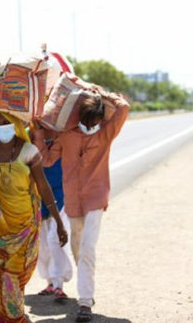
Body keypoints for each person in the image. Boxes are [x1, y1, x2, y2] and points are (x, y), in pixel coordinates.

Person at [0, 111, 68, 323]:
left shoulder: (29, 151)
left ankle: (14, 319)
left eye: (5, 122)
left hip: (22, 230)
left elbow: (44, 189)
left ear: (16, 124)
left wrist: (59, 224)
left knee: (11, 280)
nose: (0, 126)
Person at [33, 86, 130, 322]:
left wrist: (99, 93)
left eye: (95, 120)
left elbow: (123, 107)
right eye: (87, 121)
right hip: (73, 201)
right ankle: (86, 286)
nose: (91, 125)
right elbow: (46, 160)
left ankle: (85, 302)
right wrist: (37, 132)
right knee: (78, 248)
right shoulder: (66, 136)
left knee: (87, 247)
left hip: (96, 198)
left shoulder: (105, 133)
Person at [36, 134, 73, 301]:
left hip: (62, 194)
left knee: (54, 238)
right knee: (42, 244)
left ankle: (59, 283)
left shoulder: (65, 138)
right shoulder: (32, 137)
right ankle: (50, 282)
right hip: (39, 195)